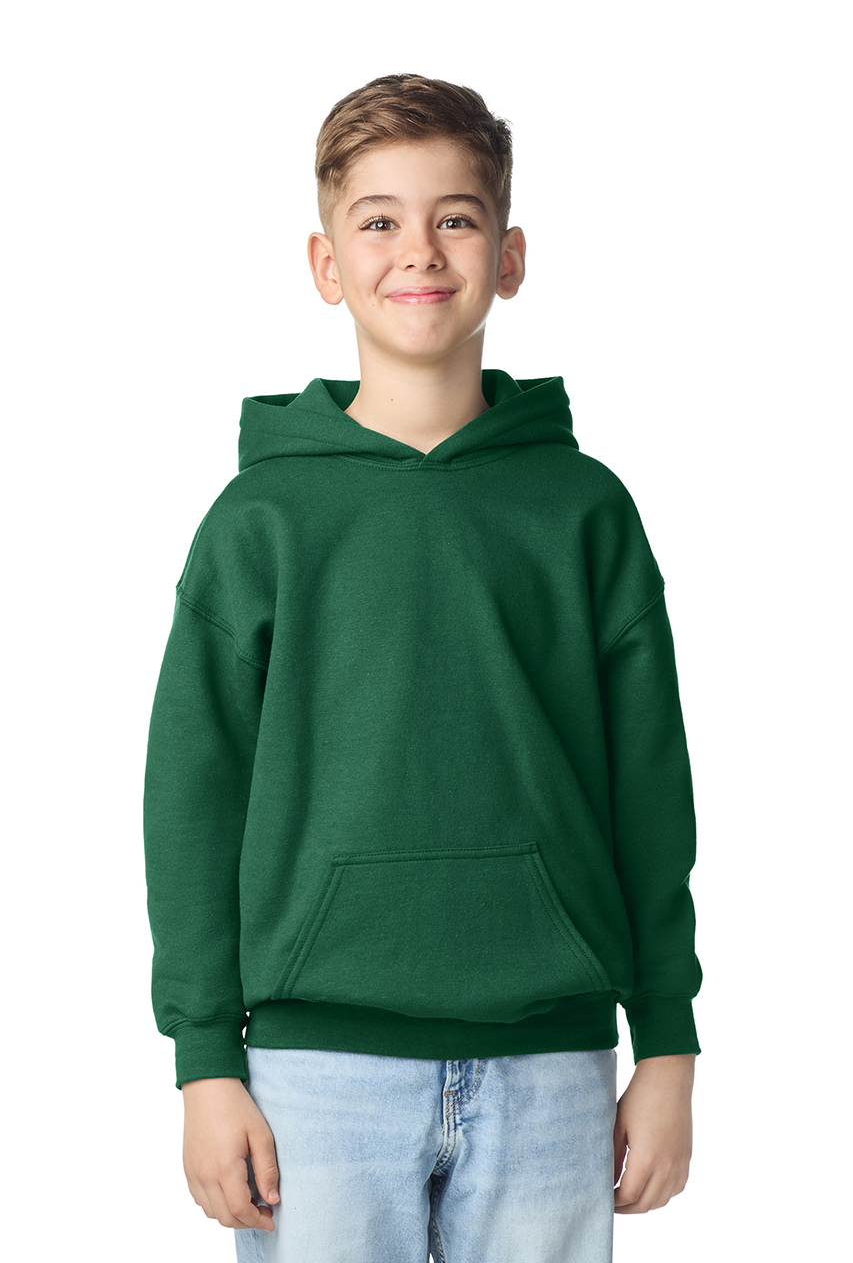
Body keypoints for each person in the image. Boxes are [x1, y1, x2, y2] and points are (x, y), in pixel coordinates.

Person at [143, 72, 702, 1263]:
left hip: (550, 1059)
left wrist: (666, 1040)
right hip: (313, 1068)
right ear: (325, 262)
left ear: (509, 255)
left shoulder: (583, 508)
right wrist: (203, 1060)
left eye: (455, 217)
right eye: (378, 220)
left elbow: (651, 792)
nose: (419, 251)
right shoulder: (260, 521)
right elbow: (191, 801)